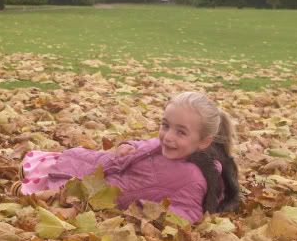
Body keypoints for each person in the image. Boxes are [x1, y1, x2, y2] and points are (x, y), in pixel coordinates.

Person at [13, 92, 239, 223]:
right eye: (165, 126)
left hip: (114, 191)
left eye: (181, 132)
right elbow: (146, 144)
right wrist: (128, 146)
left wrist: (147, 216)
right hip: (112, 167)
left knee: (71, 190)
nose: (168, 137)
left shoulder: (193, 177)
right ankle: (32, 169)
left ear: (203, 142)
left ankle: (34, 189)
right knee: (73, 158)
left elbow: (186, 212)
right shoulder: (170, 145)